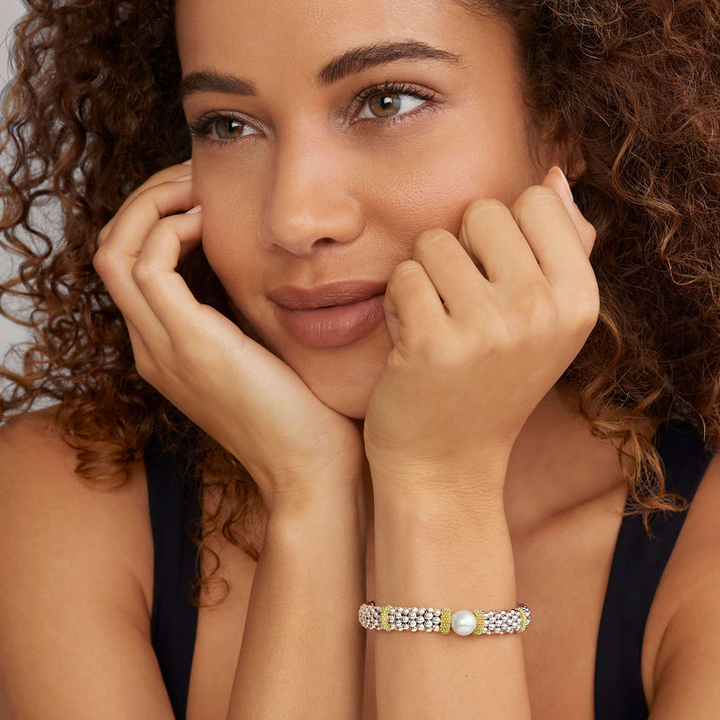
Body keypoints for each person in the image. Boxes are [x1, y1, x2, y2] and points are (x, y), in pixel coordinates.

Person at [0, 0, 718, 717]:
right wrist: (307, 496)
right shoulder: (70, 500)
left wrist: (440, 487)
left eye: (387, 101)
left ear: (565, 119)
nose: (295, 219)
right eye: (226, 125)